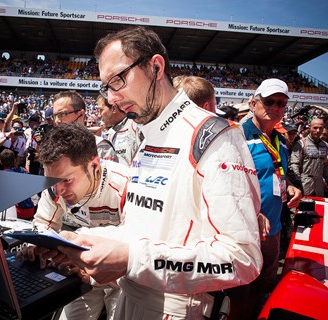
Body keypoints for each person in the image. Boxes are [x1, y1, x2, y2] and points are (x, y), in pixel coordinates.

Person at [46, 26, 262, 319]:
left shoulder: (215, 137)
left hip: (179, 308)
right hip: (130, 298)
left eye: (118, 80)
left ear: (156, 67)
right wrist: (83, 239)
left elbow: (242, 258)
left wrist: (134, 259)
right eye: (106, 86)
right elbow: (145, 232)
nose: (111, 97)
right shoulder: (148, 135)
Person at [22, 123, 129, 320]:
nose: (59, 190)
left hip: (120, 277)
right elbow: (44, 222)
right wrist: (34, 245)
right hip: (81, 272)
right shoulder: (54, 187)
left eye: (67, 180)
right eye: (51, 181)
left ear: (94, 165)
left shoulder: (126, 185)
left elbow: (136, 252)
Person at [241, 78, 302, 319]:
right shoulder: (238, 136)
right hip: (245, 227)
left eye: (282, 103)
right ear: (253, 103)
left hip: (273, 229)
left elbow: (279, 176)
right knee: (240, 288)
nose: (276, 108)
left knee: (264, 285)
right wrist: (252, 213)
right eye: (270, 102)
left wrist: (291, 188)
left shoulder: (282, 141)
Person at [52, 90, 118, 163]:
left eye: (62, 114)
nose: (57, 120)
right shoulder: (53, 147)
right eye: (55, 116)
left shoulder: (99, 147)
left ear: (81, 114)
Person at [290, 118, 328, 196]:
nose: (318, 131)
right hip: (304, 183)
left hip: (319, 185)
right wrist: (297, 181)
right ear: (310, 128)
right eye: (315, 128)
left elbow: (325, 164)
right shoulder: (301, 143)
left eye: (320, 128)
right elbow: (294, 164)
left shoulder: (324, 145)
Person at [96, 94, 141, 166]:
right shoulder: (111, 132)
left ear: (114, 108)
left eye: (101, 110)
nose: (99, 115)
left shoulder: (135, 125)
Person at [0, 148, 35, 220]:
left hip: (16, 212)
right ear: (15, 160)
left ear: (0, 162)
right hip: (30, 210)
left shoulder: (1, 176)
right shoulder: (24, 170)